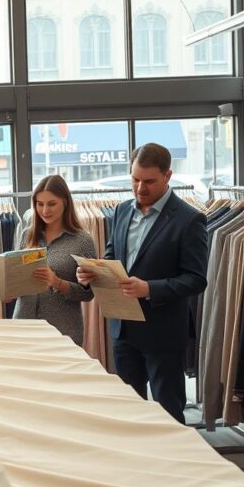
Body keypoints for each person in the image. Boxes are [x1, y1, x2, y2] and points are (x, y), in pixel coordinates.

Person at [76, 143, 207, 424]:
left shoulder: (189, 219)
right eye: (135, 179)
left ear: (168, 176)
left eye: (149, 181)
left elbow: (196, 279)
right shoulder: (122, 211)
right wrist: (92, 274)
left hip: (163, 332)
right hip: (123, 329)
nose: (139, 188)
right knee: (129, 411)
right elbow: (112, 257)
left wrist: (150, 288)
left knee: (168, 413)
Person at [13, 175, 96, 346]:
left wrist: (57, 282)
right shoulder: (26, 235)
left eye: (51, 204)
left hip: (63, 329)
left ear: (65, 202)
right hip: (23, 326)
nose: (45, 210)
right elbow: (16, 278)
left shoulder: (82, 241)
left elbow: (89, 294)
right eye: (40, 204)